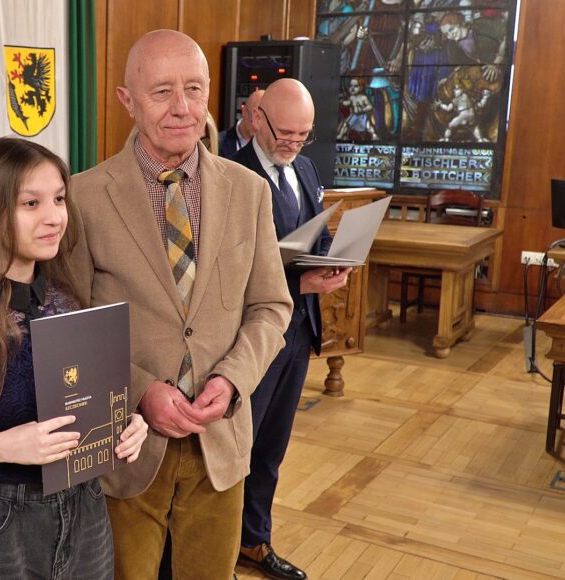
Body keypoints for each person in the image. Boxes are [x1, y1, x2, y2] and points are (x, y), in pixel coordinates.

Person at [69, 29, 293, 579]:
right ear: (127, 100)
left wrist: (233, 380)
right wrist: (141, 391)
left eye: (194, 89)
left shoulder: (249, 191)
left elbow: (271, 307)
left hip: (220, 442)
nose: (182, 108)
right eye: (161, 91)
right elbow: (69, 329)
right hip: (124, 448)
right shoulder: (83, 197)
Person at [0, 137, 149, 580]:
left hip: (82, 507)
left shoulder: (68, 302)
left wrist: (124, 424)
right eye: (31, 203)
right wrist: (0, 447)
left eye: (59, 199)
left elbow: (82, 406)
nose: (54, 217)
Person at [229, 79, 351, 580]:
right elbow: (229, 271)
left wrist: (333, 261)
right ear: (258, 119)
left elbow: (315, 235)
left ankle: (254, 541)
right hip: (251, 336)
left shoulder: (305, 168)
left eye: (304, 135)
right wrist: (300, 282)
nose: (294, 144)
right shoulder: (232, 175)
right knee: (238, 448)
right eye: (285, 134)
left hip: (299, 331)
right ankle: (219, 550)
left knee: (271, 449)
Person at [218, 88, 264, 158]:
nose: (257, 127)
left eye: (262, 121)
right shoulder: (218, 143)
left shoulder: (272, 145)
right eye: (253, 118)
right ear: (244, 111)